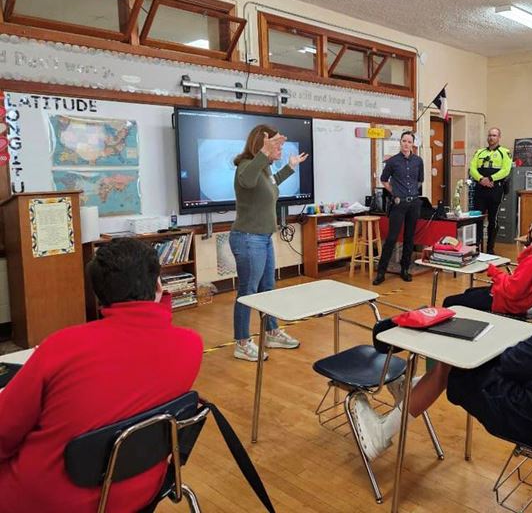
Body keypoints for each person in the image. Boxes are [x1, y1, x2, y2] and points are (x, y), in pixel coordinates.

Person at [351, 231, 532, 461]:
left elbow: (516, 364)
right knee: (455, 365)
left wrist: (499, 350)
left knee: (453, 360)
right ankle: (416, 390)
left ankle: (382, 433)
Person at [0, 238, 203, 513]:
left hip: (44, 500)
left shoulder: (61, 347)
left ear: (98, 296)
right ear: (158, 285)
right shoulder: (191, 345)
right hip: (142, 492)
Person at [230, 124, 308, 361]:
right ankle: (242, 343)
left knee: (267, 289)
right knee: (248, 292)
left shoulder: (263, 171)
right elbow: (248, 181)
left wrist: (290, 167)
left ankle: (271, 331)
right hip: (247, 239)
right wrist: (264, 152)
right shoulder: (245, 168)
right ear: (261, 145)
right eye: (277, 145)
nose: (281, 149)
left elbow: (271, 183)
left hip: (263, 238)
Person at [441, 223, 532, 316]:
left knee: (449, 301)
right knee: (469, 292)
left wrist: (494, 272)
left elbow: (512, 290)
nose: (531, 245)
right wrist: (531, 250)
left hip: (505, 302)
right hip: (520, 301)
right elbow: (521, 262)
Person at [373, 131, 424, 285]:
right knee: (391, 238)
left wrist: (411, 193)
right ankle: (381, 272)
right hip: (399, 203)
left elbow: (420, 181)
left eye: (409, 141)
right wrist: (395, 193)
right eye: (404, 141)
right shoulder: (393, 161)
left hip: (414, 203)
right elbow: (384, 180)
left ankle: (404, 269)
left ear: (412, 144)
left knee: (409, 238)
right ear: (400, 142)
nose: (406, 144)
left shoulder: (418, 161)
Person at [469, 127, 512, 254]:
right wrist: (481, 179)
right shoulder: (480, 152)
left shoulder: (505, 152)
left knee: (493, 219)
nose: (491, 138)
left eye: (494, 135)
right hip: (480, 188)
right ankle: (477, 246)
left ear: (499, 137)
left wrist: (491, 178)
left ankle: (490, 248)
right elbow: (472, 168)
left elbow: (506, 170)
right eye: (489, 135)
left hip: (495, 189)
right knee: (477, 218)